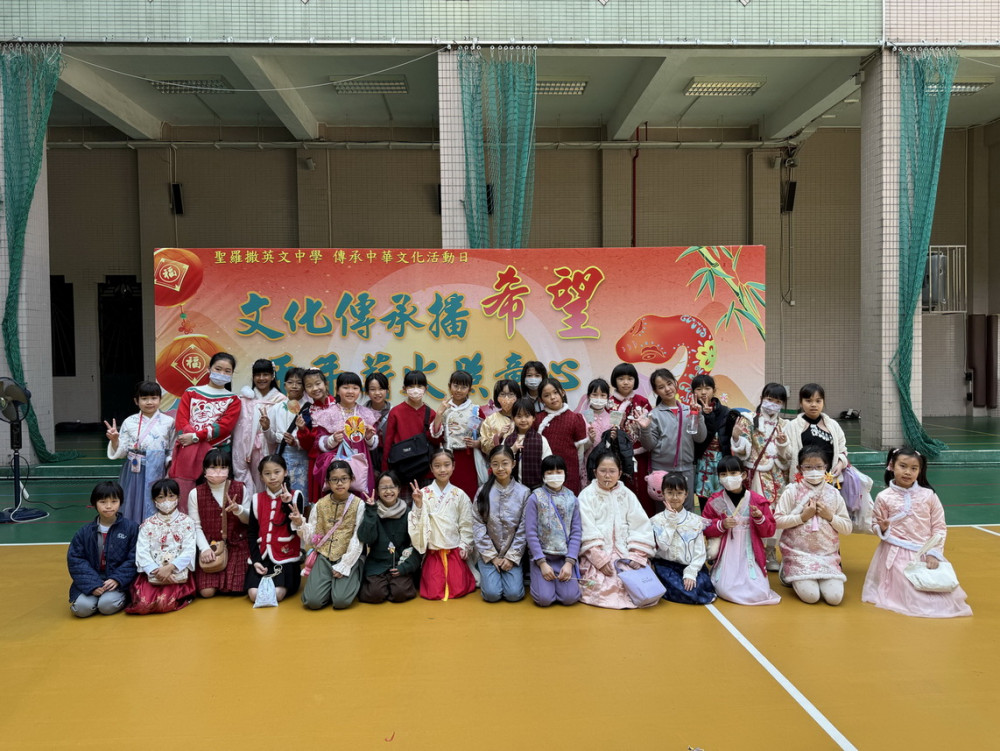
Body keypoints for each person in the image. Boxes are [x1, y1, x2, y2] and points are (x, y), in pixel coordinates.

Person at [861, 448, 972, 618]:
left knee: (939, 592)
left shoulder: (929, 495)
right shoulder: (884, 497)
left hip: (925, 552)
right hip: (895, 553)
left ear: (920, 471)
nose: (908, 472)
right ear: (892, 466)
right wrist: (882, 528)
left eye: (914, 468)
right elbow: (875, 524)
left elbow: (939, 527)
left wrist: (934, 554)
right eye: (903, 466)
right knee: (916, 597)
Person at [577, 451, 657, 609]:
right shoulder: (586, 495)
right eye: (603, 471)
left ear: (619, 473)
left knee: (635, 580)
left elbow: (641, 526)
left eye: (612, 471)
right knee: (603, 582)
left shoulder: (627, 495)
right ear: (595, 472)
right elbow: (586, 529)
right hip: (599, 553)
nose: (607, 476)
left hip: (626, 553)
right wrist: (599, 559)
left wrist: (636, 555)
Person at [774, 446, 852, 605]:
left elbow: (847, 528)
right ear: (799, 469)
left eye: (818, 467)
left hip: (827, 555)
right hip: (798, 553)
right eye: (808, 467)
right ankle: (787, 568)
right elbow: (777, 521)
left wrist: (830, 516)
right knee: (811, 597)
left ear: (826, 468)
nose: (814, 471)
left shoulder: (833, 493)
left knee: (835, 598)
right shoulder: (792, 491)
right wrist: (802, 517)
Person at [702, 456, 780, 605]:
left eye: (733, 473)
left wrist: (759, 518)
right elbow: (705, 526)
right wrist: (721, 525)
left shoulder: (757, 501)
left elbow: (769, 531)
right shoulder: (716, 500)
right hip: (727, 551)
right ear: (719, 477)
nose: (728, 478)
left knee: (760, 591)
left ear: (743, 475)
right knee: (725, 588)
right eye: (723, 474)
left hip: (750, 551)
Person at [168, 352, 242, 510]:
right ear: (209, 369)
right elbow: (181, 421)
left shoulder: (233, 399)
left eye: (227, 371)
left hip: (218, 455)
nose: (222, 374)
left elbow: (224, 427)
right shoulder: (191, 392)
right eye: (218, 369)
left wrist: (195, 437)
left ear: (232, 374)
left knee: (216, 498)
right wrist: (189, 438)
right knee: (189, 495)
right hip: (189, 453)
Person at [730, 382, 791, 571]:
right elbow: (742, 451)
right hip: (757, 474)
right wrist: (736, 438)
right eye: (769, 399)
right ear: (762, 399)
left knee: (778, 513)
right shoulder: (748, 420)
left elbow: (789, 454)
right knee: (758, 511)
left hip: (780, 475)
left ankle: (770, 551)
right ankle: (753, 551)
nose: (773, 404)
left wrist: (783, 445)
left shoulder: (786, 425)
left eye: (778, 401)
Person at [291, 460, 366, 610]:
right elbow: (311, 537)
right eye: (334, 479)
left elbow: (357, 539)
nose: (339, 483)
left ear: (352, 479)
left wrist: (345, 565)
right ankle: (329, 586)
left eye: (344, 478)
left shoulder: (359, 504)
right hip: (324, 555)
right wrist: (300, 523)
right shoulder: (320, 504)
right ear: (327, 482)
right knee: (312, 602)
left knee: (341, 601)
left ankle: (352, 576)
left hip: (347, 555)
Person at [297, 370, 380, 502]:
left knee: (361, 498)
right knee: (337, 499)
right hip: (336, 464)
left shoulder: (366, 413)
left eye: (355, 388)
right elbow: (319, 442)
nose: (350, 391)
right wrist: (332, 440)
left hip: (361, 464)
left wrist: (369, 438)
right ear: (337, 390)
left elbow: (373, 444)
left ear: (360, 391)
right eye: (345, 387)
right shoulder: (328, 414)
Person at [407, 448, 477, 601]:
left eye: (446, 465)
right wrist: (418, 505)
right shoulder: (423, 493)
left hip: (454, 550)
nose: (442, 470)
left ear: (453, 466)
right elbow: (416, 523)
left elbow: (466, 523)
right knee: (433, 591)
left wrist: (464, 545)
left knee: (458, 588)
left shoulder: (460, 495)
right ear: (431, 468)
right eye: (437, 466)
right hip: (433, 550)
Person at [104, 380, 174, 525]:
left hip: (159, 470)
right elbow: (122, 451)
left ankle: (156, 532)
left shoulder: (169, 422)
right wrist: (115, 440)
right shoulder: (129, 422)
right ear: (136, 401)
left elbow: (173, 448)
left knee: (158, 500)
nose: (149, 402)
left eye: (154, 398)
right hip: (135, 471)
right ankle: (133, 532)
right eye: (144, 398)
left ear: (160, 399)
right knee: (133, 502)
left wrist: (168, 464)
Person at [638, 368, 706, 514]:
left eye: (669, 383)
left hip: (686, 470)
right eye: (661, 387)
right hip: (661, 471)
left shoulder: (689, 410)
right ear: (656, 391)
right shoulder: (654, 415)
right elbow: (649, 445)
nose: (667, 389)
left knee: (686, 511)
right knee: (663, 512)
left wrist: (698, 416)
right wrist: (645, 429)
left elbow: (700, 438)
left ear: (676, 383)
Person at [67, 481, 139, 617]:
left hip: (116, 582)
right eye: (103, 502)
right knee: (82, 609)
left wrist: (117, 579)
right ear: (94, 503)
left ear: (120, 502)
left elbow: (134, 558)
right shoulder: (84, 532)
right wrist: (92, 585)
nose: (108, 506)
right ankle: (94, 598)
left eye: (114, 501)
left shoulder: (131, 528)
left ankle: (120, 597)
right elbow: (76, 560)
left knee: (106, 606)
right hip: (92, 579)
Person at [126, 479, 197, 614]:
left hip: (177, 573)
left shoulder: (187, 522)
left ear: (178, 497)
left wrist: (170, 568)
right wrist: (156, 571)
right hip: (154, 574)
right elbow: (142, 551)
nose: (166, 501)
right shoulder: (147, 524)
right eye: (161, 497)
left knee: (164, 603)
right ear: (154, 500)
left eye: (171, 496)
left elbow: (189, 550)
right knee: (144, 605)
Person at [186, 448, 251, 598]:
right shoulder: (195, 493)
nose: (218, 471)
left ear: (229, 469)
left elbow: (249, 521)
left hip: (237, 546)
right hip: (211, 547)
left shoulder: (240, 488)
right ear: (204, 469)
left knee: (238, 590)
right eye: (213, 467)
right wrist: (204, 549)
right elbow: (195, 526)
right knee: (206, 592)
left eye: (223, 467)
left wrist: (239, 510)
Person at [471, 446, 530, 603]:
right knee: (492, 595)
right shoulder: (483, 492)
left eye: (505, 463)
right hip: (488, 554)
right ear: (490, 465)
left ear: (513, 464)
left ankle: (509, 571)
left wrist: (511, 557)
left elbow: (524, 529)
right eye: (495, 464)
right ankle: (488, 569)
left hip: (513, 553)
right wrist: (492, 556)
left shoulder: (524, 492)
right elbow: (477, 524)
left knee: (513, 595)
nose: (500, 468)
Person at [649, 472, 715, 605]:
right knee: (685, 592)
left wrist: (691, 572)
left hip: (690, 565)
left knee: (698, 587)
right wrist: (671, 522)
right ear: (663, 494)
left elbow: (700, 552)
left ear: (686, 494)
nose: (674, 497)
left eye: (679, 493)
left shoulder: (695, 521)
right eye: (670, 493)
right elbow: (663, 546)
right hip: (666, 566)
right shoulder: (656, 521)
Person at [524, 455, 582, 607]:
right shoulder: (535, 498)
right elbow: (530, 533)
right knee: (544, 599)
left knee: (570, 598)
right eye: (550, 472)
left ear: (565, 474)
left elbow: (576, 532)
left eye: (559, 471)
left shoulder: (572, 499)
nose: (555, 475)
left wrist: (569, 563)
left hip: (564, 558)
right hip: (542, 558)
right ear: (543, 475)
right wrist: (542, 563)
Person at [246, 454, 305, 604]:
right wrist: (256, 560)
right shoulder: (256, 499)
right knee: (253, 594)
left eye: (277, 472)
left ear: (285, 472)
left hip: (285, 557)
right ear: (261, 477)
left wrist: (286, 504)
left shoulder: (296, 496)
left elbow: (294, 531)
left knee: (276, 594)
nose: (272, 477)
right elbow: (252, 533)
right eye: (267, 473)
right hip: (262, 556)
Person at [357, 471, 422, 604]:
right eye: (383, 488)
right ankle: (384, 585)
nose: (388, 491)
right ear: (377, 491)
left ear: (398, 489)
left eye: (392, 487)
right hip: (377, 564)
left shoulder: (408, 513)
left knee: (400, 593)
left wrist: (405, 567)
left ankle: (392, 584)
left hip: (400, 563)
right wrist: (371, 512)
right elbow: (366, 539)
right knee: (374, 594)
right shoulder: (371, 511)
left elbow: (418, 544)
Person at [232, 358, 286, 493]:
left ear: (273, 376)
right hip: (247, 450)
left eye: (265, 374)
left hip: (271, 447)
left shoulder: (281, 400)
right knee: (249, 483)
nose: (261, 378)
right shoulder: (244, 399)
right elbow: (240, 429)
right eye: (257, 375)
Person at [430, 370, 485, 500]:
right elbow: (435, 438)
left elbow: (486, 436)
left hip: (469, 459)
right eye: (456, 386)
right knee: (448, 497)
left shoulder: (475, 410)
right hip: (447, 459)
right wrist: (439, 414)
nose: (459, 390)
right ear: (449, 386)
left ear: (470, 389)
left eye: (463, 387)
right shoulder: (444, 409)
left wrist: (478, 443)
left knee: (469, 494)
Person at [608, 362, 654, 513]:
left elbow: (651, 427)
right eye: (621, 378)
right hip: (617, 456)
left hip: (641, 455)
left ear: (635, 381)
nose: (626, 382)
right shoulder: (609, 402)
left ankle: (645, 522)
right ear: (614, 380)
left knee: (643, 490)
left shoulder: (642, 401)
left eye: (630, 378)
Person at [381, 370, 436, 493]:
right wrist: (385, 471)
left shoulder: (431, 413)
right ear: (404, 388)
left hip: (425, 471)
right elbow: (388, 443)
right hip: (402, 470)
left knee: (426, 504)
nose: (415, 390)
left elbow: (435, 441)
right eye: (411, 386)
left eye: (419, 386)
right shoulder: (395, 412)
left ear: (426, 388)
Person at [783, 383, 849, 480]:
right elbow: (787, 455)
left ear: (823, 402)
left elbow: (842, 450)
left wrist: (840, 464)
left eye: (818, 401)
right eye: (808, 401)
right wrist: (782, 444)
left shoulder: (833, 425)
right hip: (803, 482)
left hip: (829, 480)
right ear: (801, 402)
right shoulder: (792, 426)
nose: (813, 405)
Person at [264, 367, 310, 504]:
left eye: (299, 383)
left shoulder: (309, 408)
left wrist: (296, 442)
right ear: (284, 385)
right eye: (290, 382)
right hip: (282, 454)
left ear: (304, 386)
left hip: (303, 456)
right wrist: (266, 428)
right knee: (283, 492)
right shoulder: (276, 408)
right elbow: (271, 438)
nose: (294, 386)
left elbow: (312, 438)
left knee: (303, 493)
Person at [535, 378, 588, 495]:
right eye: (547, 395)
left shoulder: (575, 418)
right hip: (544, 472)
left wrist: (578, 472)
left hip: (569, 472)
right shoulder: (537, 419)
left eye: (555, 392)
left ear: (562, 392)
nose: (552, 397)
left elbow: (580, 451)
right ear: (541, 400)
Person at [690, 374, 732, 510]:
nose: (703, 392)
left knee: (721, 502)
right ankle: (706, 522)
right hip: (701, 463)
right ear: (693, 392)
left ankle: (720, 522)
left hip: (720, 463)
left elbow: (729, 441)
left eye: (707, 388)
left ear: (714, 390)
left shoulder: (726, 412)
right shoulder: (691, 412)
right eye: (698, 389)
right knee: (704, 502)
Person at [502, 398, 551, 490]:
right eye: (519, 416)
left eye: (527, 416)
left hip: (536, 489)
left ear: (534, 417)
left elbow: (548, 464)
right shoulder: (507, 440)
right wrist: (512, 450)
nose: (523, 420)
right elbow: (501, 461)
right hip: (512, 490)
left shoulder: (541, 440)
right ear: (513, 418)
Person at [577, 378, 613, 489]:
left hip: (607, 464)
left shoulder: (612, 418)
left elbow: (615, 447)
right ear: (588, 396)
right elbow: (579, 448)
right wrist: (590, 441)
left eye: (603, 395)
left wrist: (614, 438)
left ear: (608, 397)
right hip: (588, 463)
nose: (599, 398)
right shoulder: (581, 418)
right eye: (595, 394)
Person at [478, 379, 521, 454]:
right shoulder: (490, 420)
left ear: (517, 396)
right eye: (502, 394)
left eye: (511, 394)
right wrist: (498, 436)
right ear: (497, 397)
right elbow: (484, 446)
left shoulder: (524, 418)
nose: (506, 398)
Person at [364, 372, 392, 473]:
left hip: (390, 460)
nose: (377, 393)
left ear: (387, 390)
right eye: (373, 389)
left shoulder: (394, 412)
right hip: (367, 460)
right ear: (367, 391)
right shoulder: (360, 413)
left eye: (381, 389)